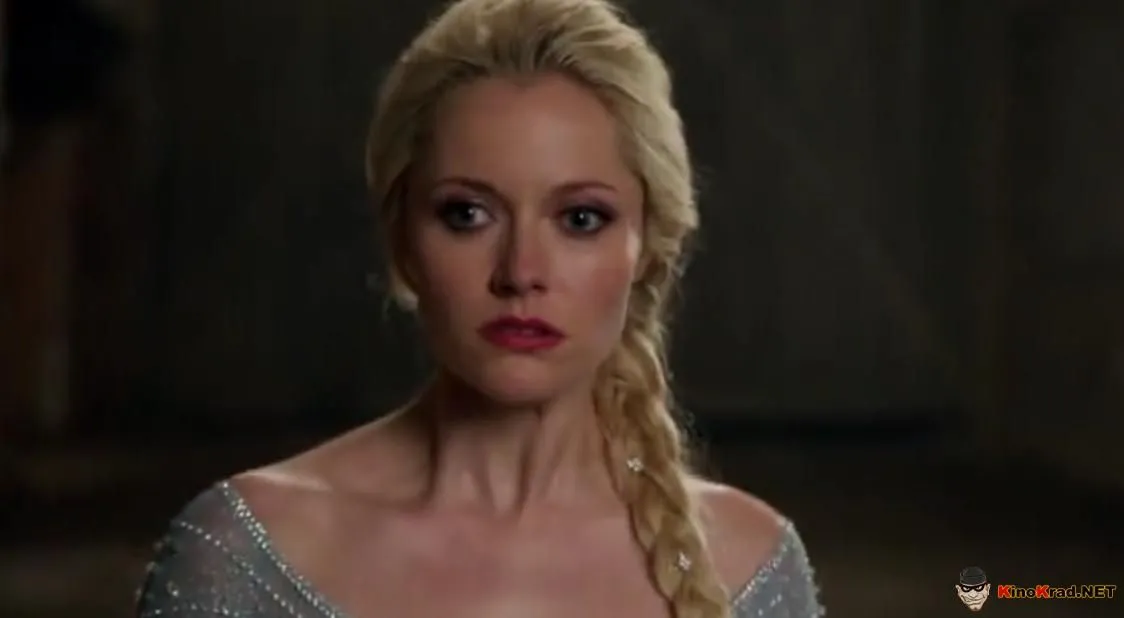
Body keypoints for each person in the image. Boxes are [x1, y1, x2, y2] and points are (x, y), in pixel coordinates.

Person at [135, 0, 825, 616]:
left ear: (649, 247)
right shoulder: (248, 556)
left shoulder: (749, 569)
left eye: (580, 219)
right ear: (402, 239)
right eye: (467, 214)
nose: (521, 272)